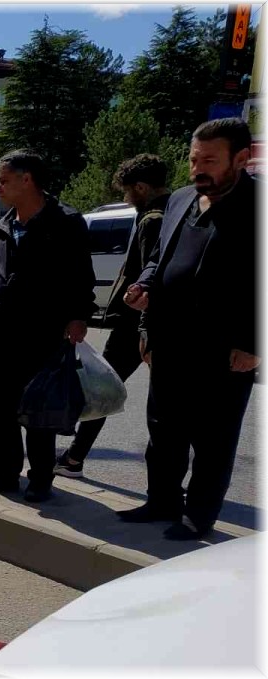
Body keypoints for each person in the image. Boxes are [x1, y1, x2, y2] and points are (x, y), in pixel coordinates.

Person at [119, 118, 259, 540]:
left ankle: (199, 516)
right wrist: (143, 296)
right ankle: (161, 500)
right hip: (169, 337)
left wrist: (254, 343)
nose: (198, 168)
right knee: (164, 429)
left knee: (213, 439)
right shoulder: (181, 199)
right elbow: (159, 259)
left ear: (241, 158)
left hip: (225, 345)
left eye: (210, 160)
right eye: (194, 159)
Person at [0, 150, 96, 503]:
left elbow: (81, 276)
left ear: (27, 180)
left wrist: (79, 316)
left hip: (42, 332)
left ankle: (40, 479)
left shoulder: (65, 222)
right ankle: (4, 473)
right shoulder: (3, 226)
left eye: (4, 180)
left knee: (40, 407)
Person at [54, 154, 169, 479]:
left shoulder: (152, 220)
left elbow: (150, 279)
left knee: (101, 389)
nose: (125, 198)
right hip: (148, 326)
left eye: (127, 191)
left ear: (142, 187)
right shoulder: (176, 210)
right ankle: (76, 456)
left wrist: (146, 330)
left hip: (136, 327)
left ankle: (74, 459)